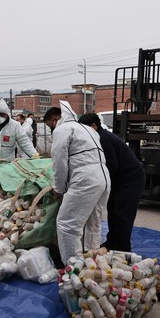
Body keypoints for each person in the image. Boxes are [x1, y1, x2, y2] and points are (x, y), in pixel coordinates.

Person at [44, 102, 111, 265]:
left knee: (67, 224)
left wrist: (59, 188)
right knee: (93, 222)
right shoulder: (88, 129)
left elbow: (59, 162)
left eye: (49, 125)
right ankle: (92, 261)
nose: (51, 129)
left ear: (54, 120)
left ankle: (72, 266)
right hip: (103, 178)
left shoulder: (62, 130)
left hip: (85, 179)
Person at [78, 113, 145, 252]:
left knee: (122, 214)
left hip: (130, 179)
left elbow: (111, 166)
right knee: (113, 210)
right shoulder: (98, 137)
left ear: (93, 126)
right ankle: (112, 242)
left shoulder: (103, 139)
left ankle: (123, 249)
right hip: (119, 179)